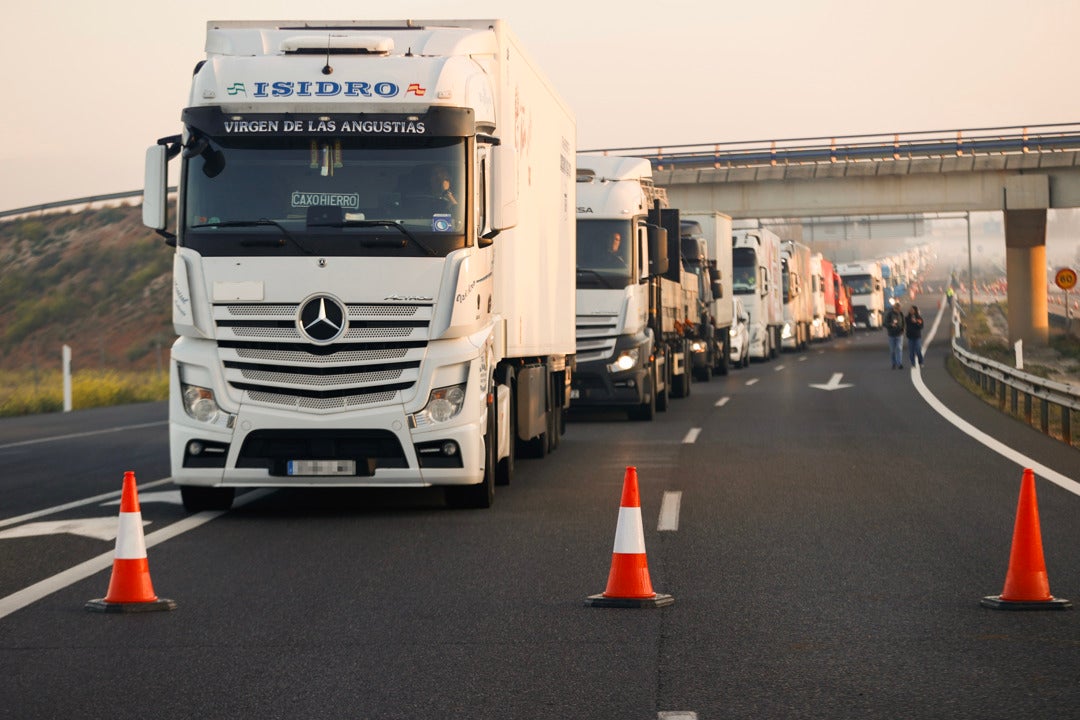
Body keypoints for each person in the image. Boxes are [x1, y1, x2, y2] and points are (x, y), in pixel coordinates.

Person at [885, 301, 905, 369]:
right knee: (892, 350)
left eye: (899, 309)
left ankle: (899, 363)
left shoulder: (901, 314)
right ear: (894, 308)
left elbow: (903, 322)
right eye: (897, 308)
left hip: (899, 334)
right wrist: (891, 325)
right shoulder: (889, 314)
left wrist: (903, 329)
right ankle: (894, 363)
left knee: (899, 348)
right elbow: (885, 323)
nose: (899, 310)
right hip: (891, 334)